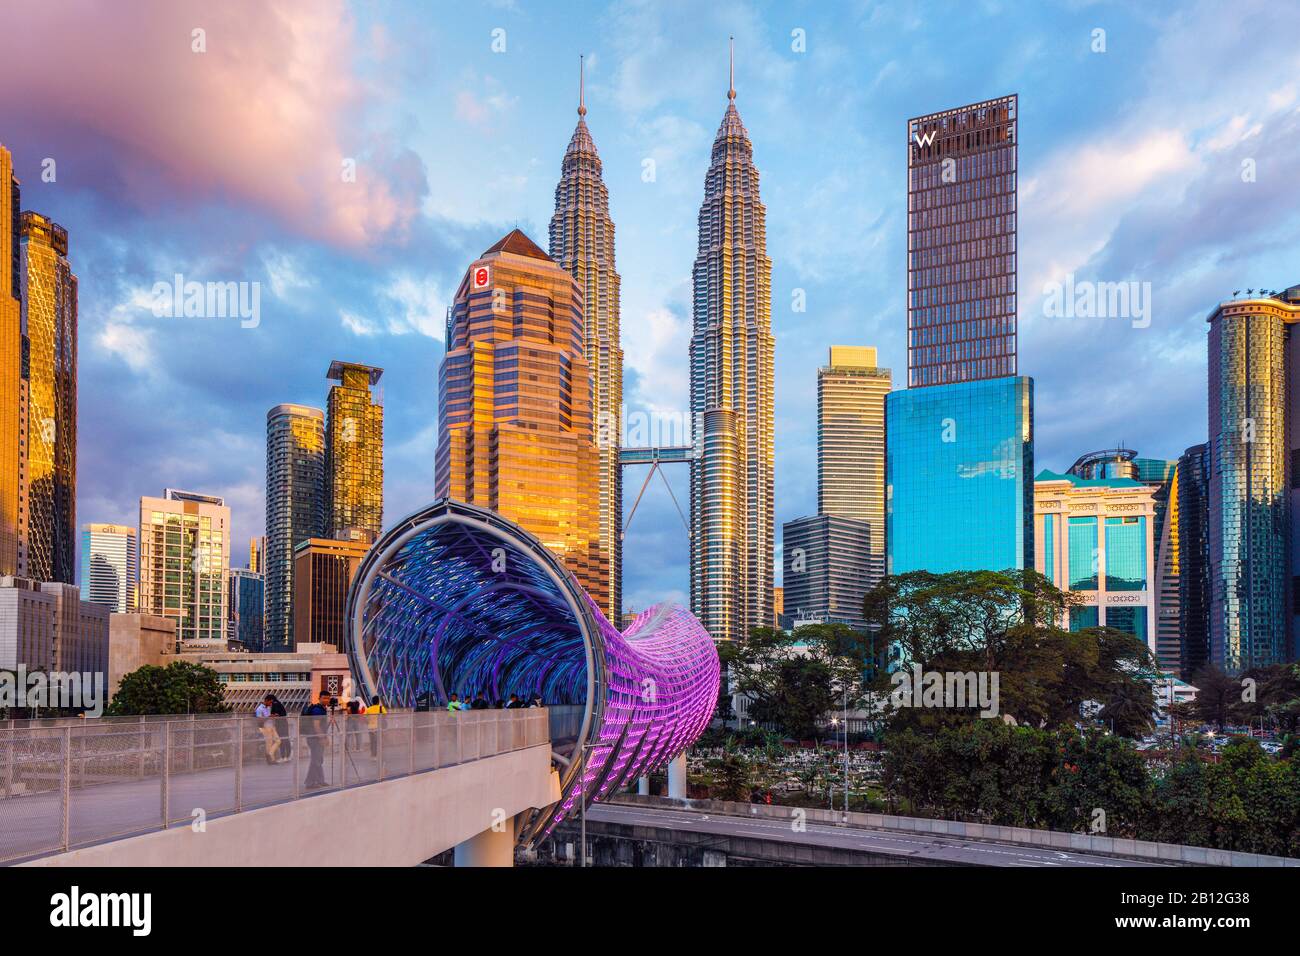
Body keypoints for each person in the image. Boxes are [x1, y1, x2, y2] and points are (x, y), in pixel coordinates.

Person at [302, 691, 330, 790]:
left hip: (316, 737)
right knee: (316, 760)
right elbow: (316, 725)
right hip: (314, 738)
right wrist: (322, 738)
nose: (326, 700)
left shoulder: (322, 709)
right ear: (319, 698)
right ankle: (309, 783)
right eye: (324, 698)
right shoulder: (318, 710)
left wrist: (324, 737)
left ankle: (320, 780)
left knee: (319, 759)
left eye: (328, 698)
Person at [256, 695, 278, 764]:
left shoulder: (268, 708)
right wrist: (269, 717)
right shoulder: (259, 709)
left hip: (271, 725)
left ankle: (269, 754)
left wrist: (273, 716)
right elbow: (259, 720)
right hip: (265, 727)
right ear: (266, 700)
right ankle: (271, 759)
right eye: (270, 702)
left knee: (278, 741)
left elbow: (269, 717)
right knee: (269, 743)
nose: (271, 704)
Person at [269, 694, 291, 763]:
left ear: (271, 700)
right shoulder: (279, 703)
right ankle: (288, 756)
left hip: (280, 724)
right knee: (286, 739)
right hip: (284, 723)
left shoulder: (275, 704)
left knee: (282, 740)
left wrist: (272, 715)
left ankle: (283, 756)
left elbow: (276, 714)